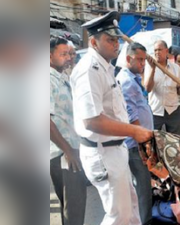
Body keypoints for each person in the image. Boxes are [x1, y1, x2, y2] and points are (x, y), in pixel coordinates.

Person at [70, 11, 153, 225]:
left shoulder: (107, 67)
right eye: (109, 40)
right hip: (102, 153)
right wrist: (134, 131)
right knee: (118, 216)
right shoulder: (89, 69)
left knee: (132, 211)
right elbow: (92, 120)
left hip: (116, 150)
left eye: (116, 39)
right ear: (93, 42)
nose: (115, 44)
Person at [116, 42, 154, 225]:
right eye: (139, 60)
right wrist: (142, 142)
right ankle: (144, 221)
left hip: (140, 141)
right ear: (128, 59)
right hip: (135, 145)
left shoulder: (134, 78)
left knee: (143, 186)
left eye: (144, 60)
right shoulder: (127, 82)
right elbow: (131, 115)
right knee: (143, 188)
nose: (142, 64)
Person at [50, 37, 87, 225]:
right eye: (62, 54)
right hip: (63, 152)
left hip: (70, 148)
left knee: (72, 207)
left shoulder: (62, 76)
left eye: (69, 53)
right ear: (49, 56)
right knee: (74, 209)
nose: (68, 57)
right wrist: (67, 150)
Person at [144, 40, 180, 136]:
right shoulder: (149, 67)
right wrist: (153, 69)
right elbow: (148, 89)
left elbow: (178, 89)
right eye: (155, 50)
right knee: (152, 140)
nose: (157, 52)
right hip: (156, 111)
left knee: (176, 141)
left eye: (160, 50)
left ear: (166, 51)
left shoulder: (176, 68)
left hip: (173, 109)